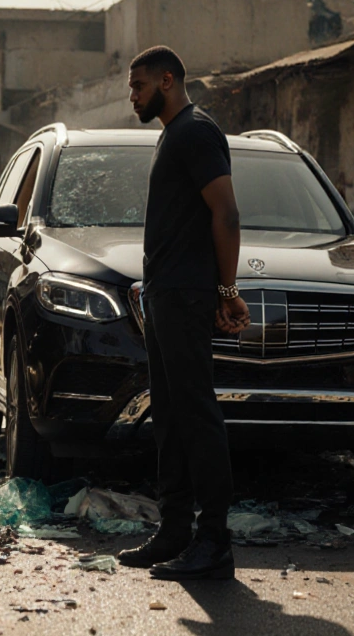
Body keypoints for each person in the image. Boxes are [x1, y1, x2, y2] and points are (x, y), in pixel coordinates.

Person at [117, 46, 251, 581]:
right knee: (169, 416)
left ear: (167, 81)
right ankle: (174, 531)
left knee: (196, 413)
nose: (132, 96)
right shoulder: (173, 135)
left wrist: (227, 290)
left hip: (188, 293)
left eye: (139, 86)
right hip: (165, 292)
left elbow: (227, 212)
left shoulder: (196, 131)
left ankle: (214, 539)